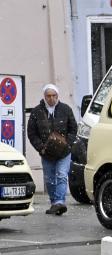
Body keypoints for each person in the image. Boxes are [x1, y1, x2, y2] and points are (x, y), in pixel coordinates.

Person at [27, 84, 77, 215]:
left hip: (64, 151)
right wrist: (41, 147)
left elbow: (73, 128)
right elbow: (32, 133)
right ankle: (54, 202)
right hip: (47, 152)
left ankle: (59, 202)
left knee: (61, 175)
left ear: (57, 96)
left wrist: (68, 144)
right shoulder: (37, 112)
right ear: (44, 96)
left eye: (54, 95)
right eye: (48, 96)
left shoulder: (66, 109)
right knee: (49, 179)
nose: (51, 98)